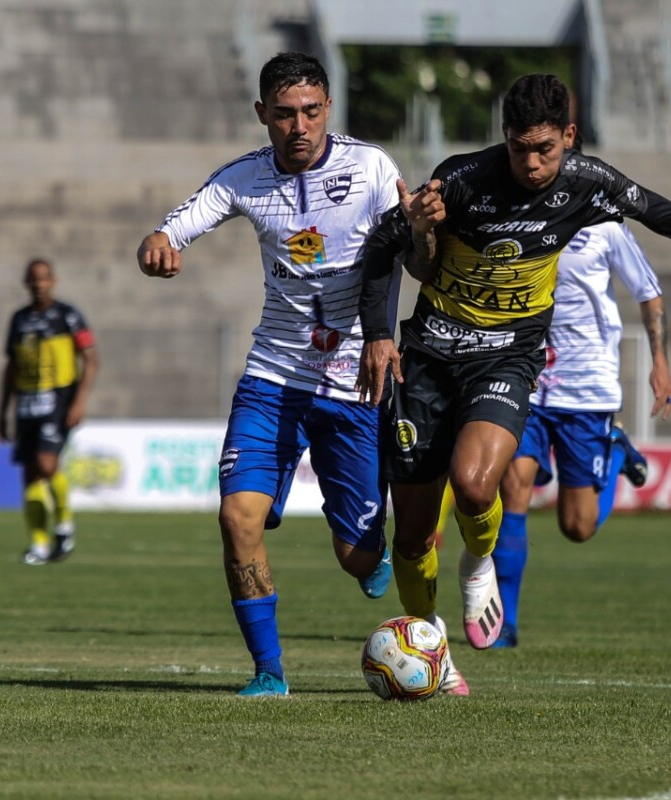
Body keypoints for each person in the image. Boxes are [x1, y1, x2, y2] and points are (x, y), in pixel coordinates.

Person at [356, 73, 671, 651]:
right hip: (431, 353)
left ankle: (478, 564)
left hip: (508, 357)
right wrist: (378, 332)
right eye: (520, 149)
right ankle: (434, 652)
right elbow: (383, 245)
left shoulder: (589, 183)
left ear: (569, 136)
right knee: (415, 537)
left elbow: (668, 217)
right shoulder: (463, 179)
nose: (533, 163)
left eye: (545, 148)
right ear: (505, 137)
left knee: (473, 486)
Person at [136, 52, 467, 697]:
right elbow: (177, 225)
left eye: (311, 111)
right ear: (262, 114)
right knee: (238, 519)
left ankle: (392, 528)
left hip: (356, 386)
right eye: (284, 114)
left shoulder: (370, 167)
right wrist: (157, 244)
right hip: (273, 377)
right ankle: (269, 672)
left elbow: (419, 263)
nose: (299, 126)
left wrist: (425, 233)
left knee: (360, 559)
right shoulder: (242, 179)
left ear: (328, 110)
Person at [492, 220, 670, 648]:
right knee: (513, 487)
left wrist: (660, 360)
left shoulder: (606, 226)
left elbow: (648, 291)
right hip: (528, 378)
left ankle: (613, 449)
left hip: (586, 386)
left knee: (577, 527)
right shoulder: (518, 212)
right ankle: (504, 625)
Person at [0, 258, 98, 565]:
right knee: (29, 474)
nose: (39, 284)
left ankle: (64, 526)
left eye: (44, 279)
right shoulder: (18, 320)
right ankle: (39, 544)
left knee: (47, 463)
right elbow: (11, 367)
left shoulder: (67, 316)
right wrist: (3, 410)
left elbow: (91, 359)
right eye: (33, 279)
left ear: (53, 281)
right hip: (26, 402)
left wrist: (79, 400)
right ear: (26, 283)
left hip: (57, 400)